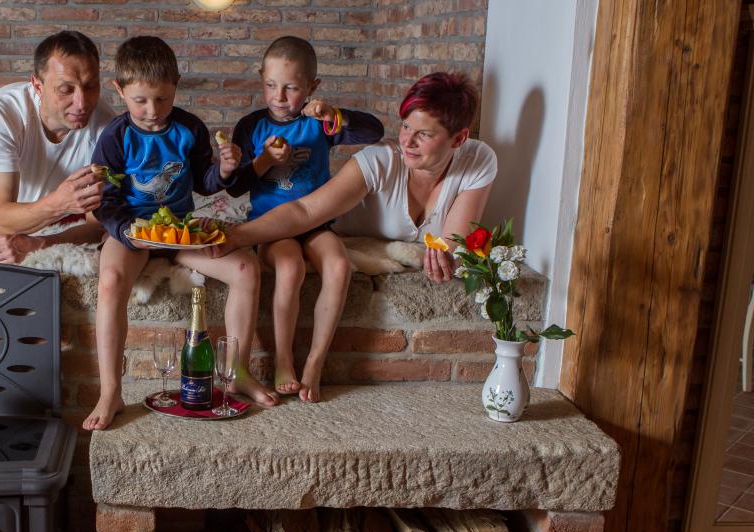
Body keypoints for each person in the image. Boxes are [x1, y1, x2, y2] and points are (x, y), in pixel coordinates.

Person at [84, 36, 279, 431]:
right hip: (134, 231)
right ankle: (111, 391)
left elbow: (205, 182)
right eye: (140, 100)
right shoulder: (115, 136)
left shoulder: (189, 127)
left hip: (179, 231)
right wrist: (124, 231)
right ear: (119, 90)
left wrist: (225, 169)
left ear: (176, 86)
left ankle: (237, 372)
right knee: (110, 280)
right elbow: (103, 200)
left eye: (163, 99)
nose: (153, 111)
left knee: (246, 269)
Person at [213, 71, 496, 286]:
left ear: (458, 139)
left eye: (424, 134)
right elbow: (305, 211)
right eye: (406, 126)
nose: (408, 141)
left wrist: (446, 257)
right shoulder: (382, 159)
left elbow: (452, 246)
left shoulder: (478, 161)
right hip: (331, 233)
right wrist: (236, 236)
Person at [224, 36, 384, 401]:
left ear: (312, 87)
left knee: (339, 266)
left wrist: (335, 115)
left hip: (315, 224)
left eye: (291, 88)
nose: (279, 97)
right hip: (272, 226)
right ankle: (284, 359)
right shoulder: (251, 126)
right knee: (290, 266)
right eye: (270, 85)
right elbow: (235, 188)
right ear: (261, 78)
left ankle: (315, 360)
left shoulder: (318, 122)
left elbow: (374, 131)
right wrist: (264, 161)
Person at [0, 30, 114, 264]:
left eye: (90, 86)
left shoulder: (106, 126)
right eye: (66, 89)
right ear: (37, 85)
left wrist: (42, 243)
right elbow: (2, 219)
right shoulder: (2, 111)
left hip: (59, 221)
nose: (82, 103)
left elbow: (96, 226)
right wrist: (60, 202)